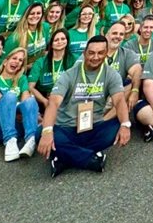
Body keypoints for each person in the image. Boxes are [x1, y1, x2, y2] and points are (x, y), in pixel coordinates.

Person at [36, 35, 133, 176]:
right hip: (66, 128)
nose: (95, 57)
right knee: (41, 133)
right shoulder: (68, 75)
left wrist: (125, 125)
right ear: (84, 53)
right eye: (91, 53)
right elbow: (53, 103)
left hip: (93, 126)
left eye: (100, 53)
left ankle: (64, 157)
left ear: (106, 54)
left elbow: (119, 101)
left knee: (118, 125)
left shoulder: (111, 75)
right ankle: (91, 160)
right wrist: (47, 132)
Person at [0, 47, 40, 162]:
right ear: (5, 62)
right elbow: (0, 102)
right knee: (10, 96)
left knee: (31, 100)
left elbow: (26, 100)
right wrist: (22, 111)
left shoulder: (22, 79)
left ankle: (31, 140)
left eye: (20, 60)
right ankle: (10, 141)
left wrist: (26, 110)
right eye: (14, 58)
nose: (17, 61)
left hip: (16, 124)